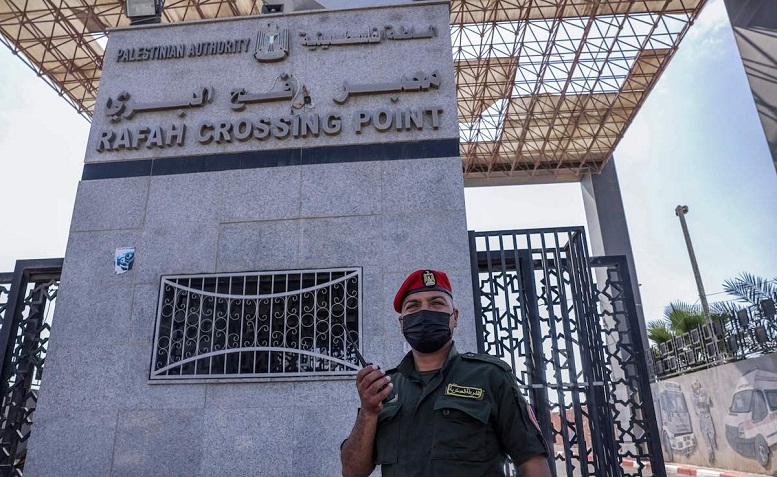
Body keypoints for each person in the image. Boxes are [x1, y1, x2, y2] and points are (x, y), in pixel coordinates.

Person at [340, 269, 552, 477]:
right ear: (402, 323)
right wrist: (368, 412)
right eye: (413, 306)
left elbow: (532, 463)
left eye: (436, 303)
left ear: (455, 317)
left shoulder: (491, 376)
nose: (424, 312)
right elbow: (352, 472)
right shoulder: (384, 388)